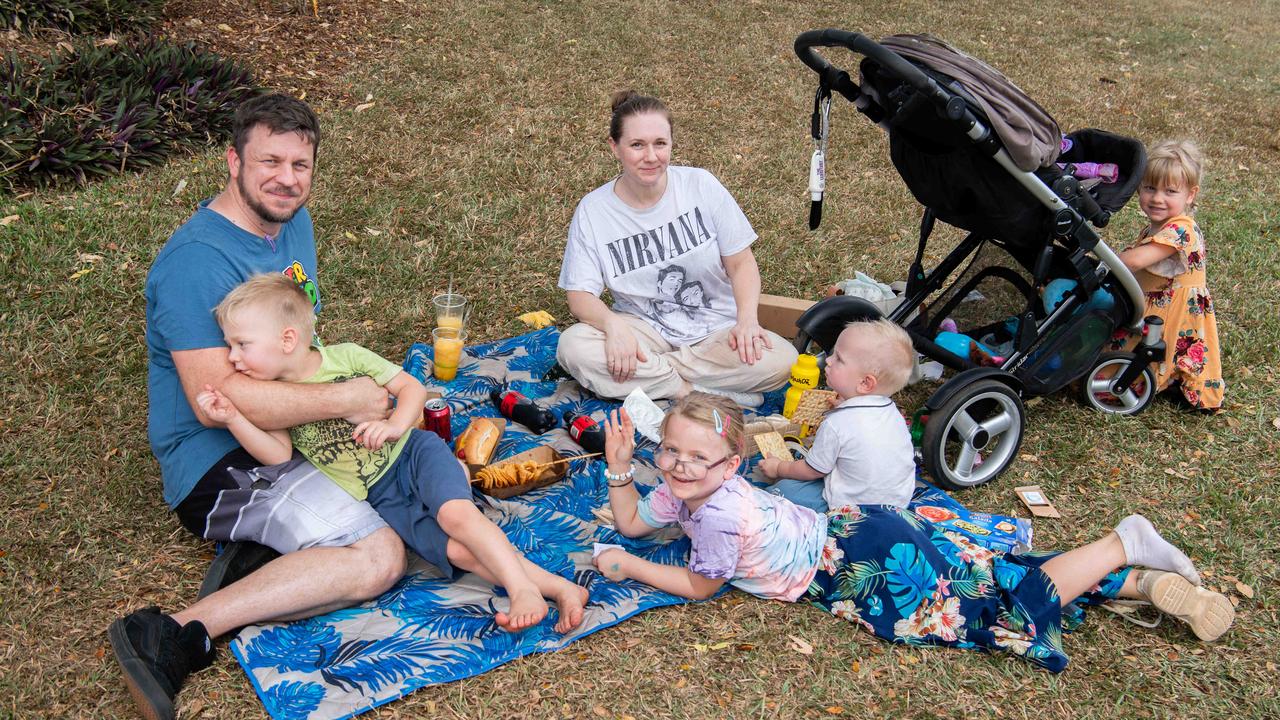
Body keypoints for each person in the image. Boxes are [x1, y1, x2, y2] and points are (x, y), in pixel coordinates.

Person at [110, 95, 408, 720]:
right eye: (269, 161)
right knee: (381, 558)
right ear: (232, 161)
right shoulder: (195, 264)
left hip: (297, 430)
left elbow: (298, 339)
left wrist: (355, 393)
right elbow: (219, 399)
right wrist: (346, 397)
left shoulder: (289, 221)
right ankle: (175, 631)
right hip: (217, 458)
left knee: (420, 480)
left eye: (301, 164)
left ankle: (271, 555)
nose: (286, 178)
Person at [592, 394, 1234, 672]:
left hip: (853, 564)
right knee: (983, 574)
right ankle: (1141, 582)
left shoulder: (718, 515)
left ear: (730, 465)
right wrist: (622, 467)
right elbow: (630, 519)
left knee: (987, 616)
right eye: (668, 450)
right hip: (862, 526)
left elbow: (702, 585)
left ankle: (1122, 542)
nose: (676, 465)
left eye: (692, 457)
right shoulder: (684, 488)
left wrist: (631, 566)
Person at [199, 274, 588, 633]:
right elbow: (278, 454)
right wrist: (234, 417)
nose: (231, 358)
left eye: (241, 345)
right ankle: (559, 588)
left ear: (286, 340)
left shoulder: (346, 357)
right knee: (456, 551)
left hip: (413, 454)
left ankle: (521, 588)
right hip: (380, 494)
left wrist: (394, 426)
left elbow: (412, 390)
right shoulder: (281, 400)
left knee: (458, 517)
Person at [556, 90, 797, 407]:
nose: (651, 156)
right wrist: (613, 326)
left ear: (671, 143)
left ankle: (653, 380)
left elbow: (741, 264)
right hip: (642, 332)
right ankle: (691, 392)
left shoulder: (701, 185)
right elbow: (580, 296)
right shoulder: (594, 211)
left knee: (783, 360)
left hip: (715, 332)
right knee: (573, 347)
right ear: (614, 147)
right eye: (637, 145)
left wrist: (748, 321)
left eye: (660, 143)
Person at [760, 319, 916, 511]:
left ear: (865, 383)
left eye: (839, 359)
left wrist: (779, 468)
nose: (828, 360)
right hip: (897, 504)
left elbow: (813, 470)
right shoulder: (892, 414)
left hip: (853, 509)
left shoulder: (838, 423)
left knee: (783, 491)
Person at [1113, 139, 1223, 410]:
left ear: (1190, 194)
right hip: (1158, 302)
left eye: (1170, 191)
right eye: (1150, 188)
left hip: (1173, 310)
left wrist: (1103, 260)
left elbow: (1137, 260)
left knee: (1135, 357)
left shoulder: (1181, 230)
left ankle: (1156, 380)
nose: (1157, 198)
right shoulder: (1159, 226)